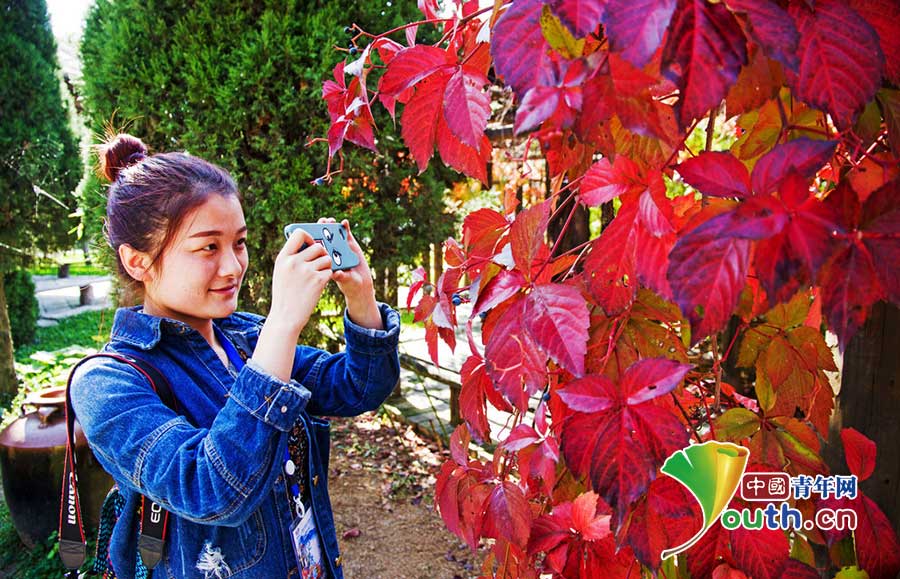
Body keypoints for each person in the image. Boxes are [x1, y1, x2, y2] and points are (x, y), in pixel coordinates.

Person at [70, 134, 401, 579]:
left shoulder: (244, 336)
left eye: (239, 243)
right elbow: (211, 490)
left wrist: (361, 295)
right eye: (208, 247)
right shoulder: (107, 384)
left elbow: (359, 386)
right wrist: (283, 323)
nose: (233, 267)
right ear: (138, 262)